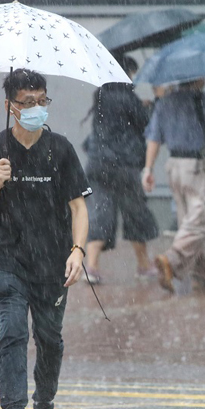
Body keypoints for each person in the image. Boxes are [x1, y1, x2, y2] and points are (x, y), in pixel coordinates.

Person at [0, 68, 92, 409]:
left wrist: (78, 251)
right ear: (10, 106)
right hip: (9, 261)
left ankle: (44, 400)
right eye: (28, 102)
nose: (37, 107)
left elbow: (79, 207)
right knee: (13, 332)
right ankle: (13, 408)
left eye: (42, 100)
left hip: (52, 263)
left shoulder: (60, 149)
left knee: (49, 340)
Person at [142, 78, 205, 294]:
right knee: (204, 217)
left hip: (174, 167)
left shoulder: (164, 102)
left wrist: (149, 169)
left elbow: (154, 138)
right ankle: (171, 260)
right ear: (197, 78)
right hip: (197, 166)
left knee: (188, 222)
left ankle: (203, 276)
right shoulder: (201, 99)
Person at [81, 55, 158, 284]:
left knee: (100, 214)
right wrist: (152, 104)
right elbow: (145, 124)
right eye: (131, 72)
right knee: (135, 214)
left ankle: (92, 267)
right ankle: (143, 265)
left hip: (98, 164)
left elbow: (114, 121)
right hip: (124, 165)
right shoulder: (127, 96)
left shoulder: (101, 94)